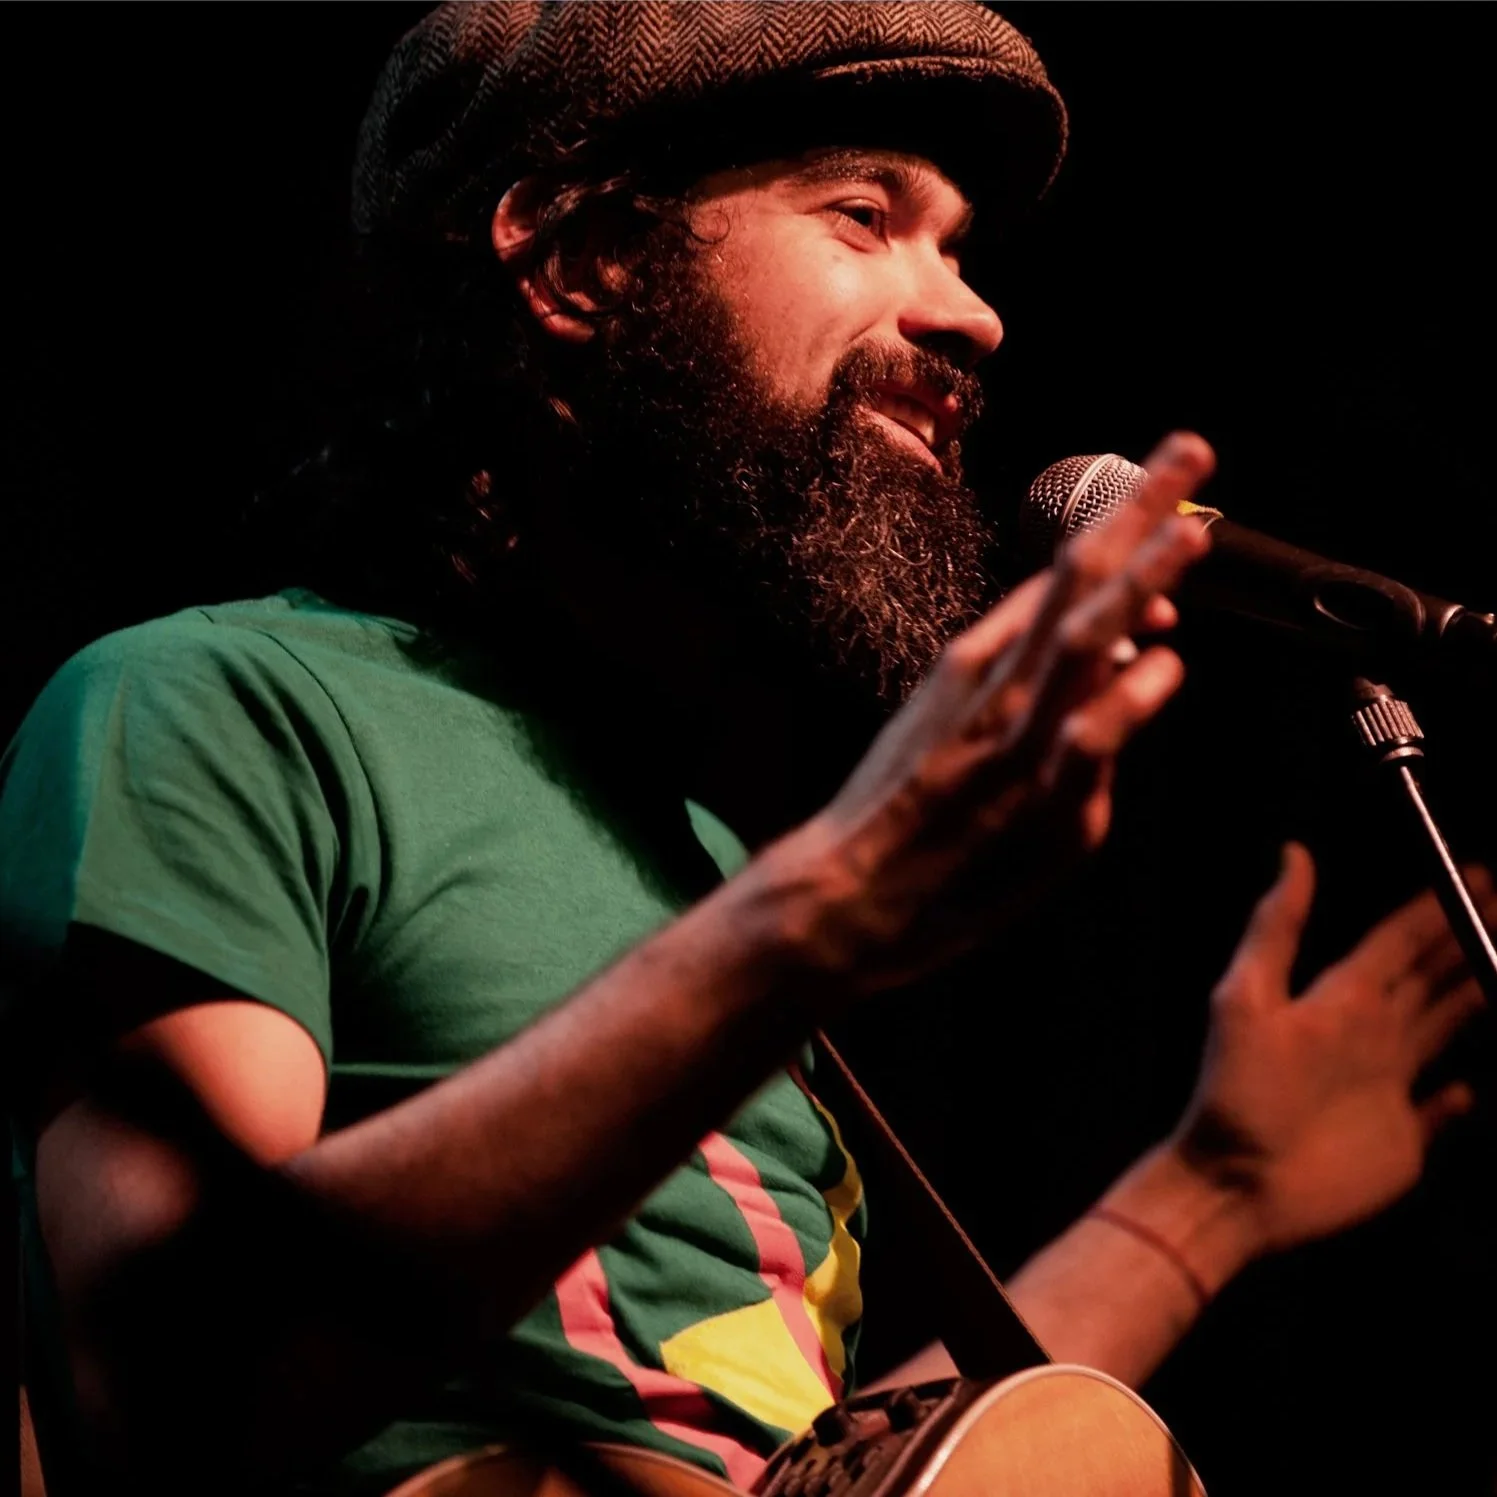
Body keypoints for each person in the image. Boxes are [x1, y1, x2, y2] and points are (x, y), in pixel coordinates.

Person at [2, 4, 1490, 1493]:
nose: (970, 312)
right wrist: (817, 918)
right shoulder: (226, 702)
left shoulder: (712, 863)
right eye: (865, 217)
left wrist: (1209, 1193)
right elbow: (156, 1391)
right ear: (580, 264)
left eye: (959, 246)